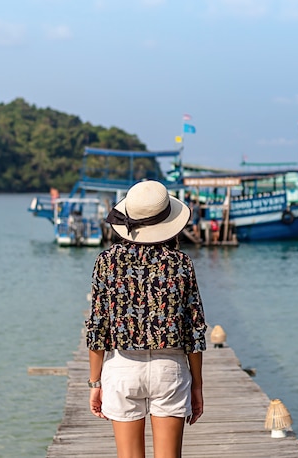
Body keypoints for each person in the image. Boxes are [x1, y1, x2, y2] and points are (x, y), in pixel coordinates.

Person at [85, 180, 207, 458]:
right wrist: (197, 386)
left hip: (122, 368)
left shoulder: (106, 261)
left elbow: (97, 328)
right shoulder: (181, 263)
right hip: (170, 368)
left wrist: (95, 383)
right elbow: (194, 331)